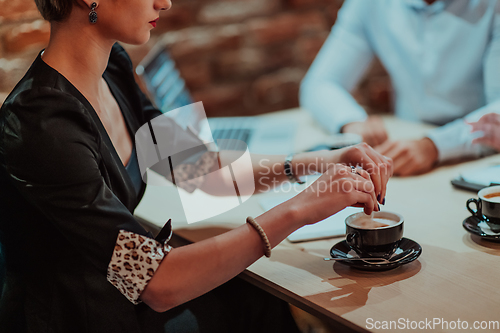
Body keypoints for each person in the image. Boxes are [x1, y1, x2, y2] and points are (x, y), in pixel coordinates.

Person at [0, 0, 393, 332]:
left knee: (261, 300)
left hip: (122, 299)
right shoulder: (42, 126)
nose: (165, 2)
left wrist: (321, 161)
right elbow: (156, 281)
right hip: (83, 317)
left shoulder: (113, 64)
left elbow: (196, 165)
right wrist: (298, 210)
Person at [300, 0, 500, 176]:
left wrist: (434, 146)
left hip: (478, 160)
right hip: (402, 152)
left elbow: (497, 112)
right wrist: (350, 121)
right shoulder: (369, 4)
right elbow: (320, 83)